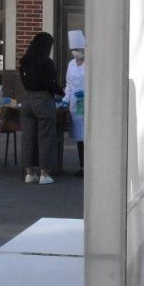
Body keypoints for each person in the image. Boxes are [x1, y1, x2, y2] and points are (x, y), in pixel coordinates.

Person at [18, 32, 64, 185]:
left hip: (27, 99)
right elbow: (49, 83)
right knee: (46, 137)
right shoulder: (46, 63)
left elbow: (25, 81)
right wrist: (61, 92)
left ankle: (29, 173)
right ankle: (44, 174)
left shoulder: (24, 62)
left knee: (28, 137)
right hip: (43, 100)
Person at [63, 29, 86, 176]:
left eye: (77, 49)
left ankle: (88, 167)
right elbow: (69, 83)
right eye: (73, 50)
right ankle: (82, 166)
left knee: (87, 135)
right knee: (79, 136)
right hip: (75, 103)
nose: (75, 52)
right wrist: (66, 99)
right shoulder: (71, 64)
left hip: (86, 102)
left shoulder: (90, 63)